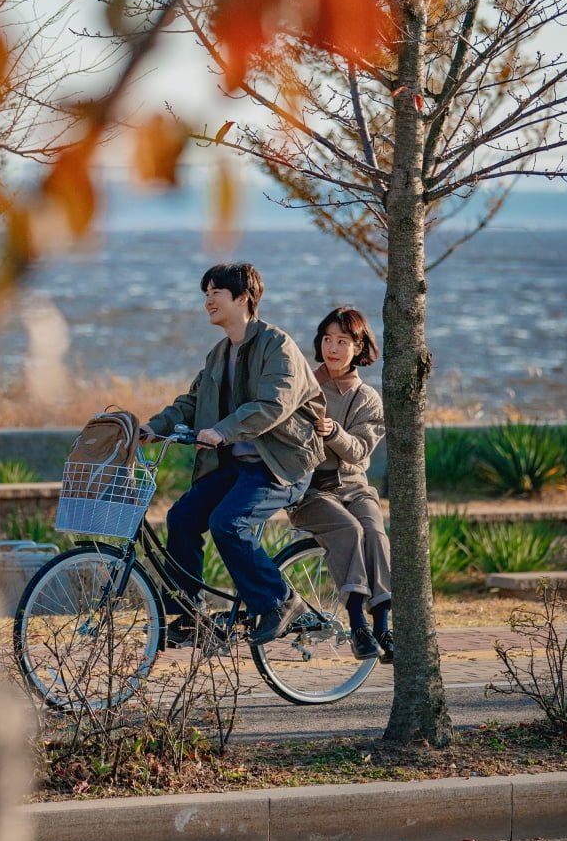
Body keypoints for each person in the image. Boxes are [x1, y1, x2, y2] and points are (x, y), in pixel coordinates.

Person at [142, 262, 326, 646]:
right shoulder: (218, 354)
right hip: (238, 465)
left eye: (216, 293)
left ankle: (282, 602)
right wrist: (152, 429)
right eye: (205, 293)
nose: (208, 299)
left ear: (243, 298)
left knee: (229, 523)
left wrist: (222, 431)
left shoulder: (278, 346)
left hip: (281, 464)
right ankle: (187, 614)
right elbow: (191, 403)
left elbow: (273, 404)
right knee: (182, 518)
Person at [289, 306, 393, 663]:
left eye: (343, 341)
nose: (332, 348)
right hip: (310, 490)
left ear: (359, 348)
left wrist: (333, 431)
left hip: (354, 486)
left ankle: (382, 624)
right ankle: (357, 626)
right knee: (350, 530)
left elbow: (360, 452)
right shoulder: (302, 387)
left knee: (376, 533)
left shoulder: (367, 399)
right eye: (327, 339)